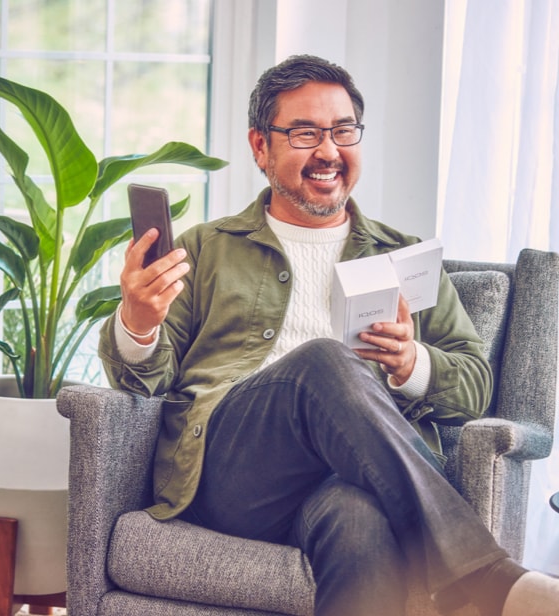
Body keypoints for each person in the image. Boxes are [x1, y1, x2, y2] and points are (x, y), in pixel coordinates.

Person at [99, 55, 559, 616]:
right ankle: (487, 579)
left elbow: (475, 386)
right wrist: (139, 321)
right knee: (324, 361)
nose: (328, 150)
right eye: (304, 133)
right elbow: (141, 378)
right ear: (260, 147)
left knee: (358, 519)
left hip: (349, 478)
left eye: (343, 131)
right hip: (234, 473)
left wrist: (413, 364)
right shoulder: (205, 248)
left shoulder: (405, 258)